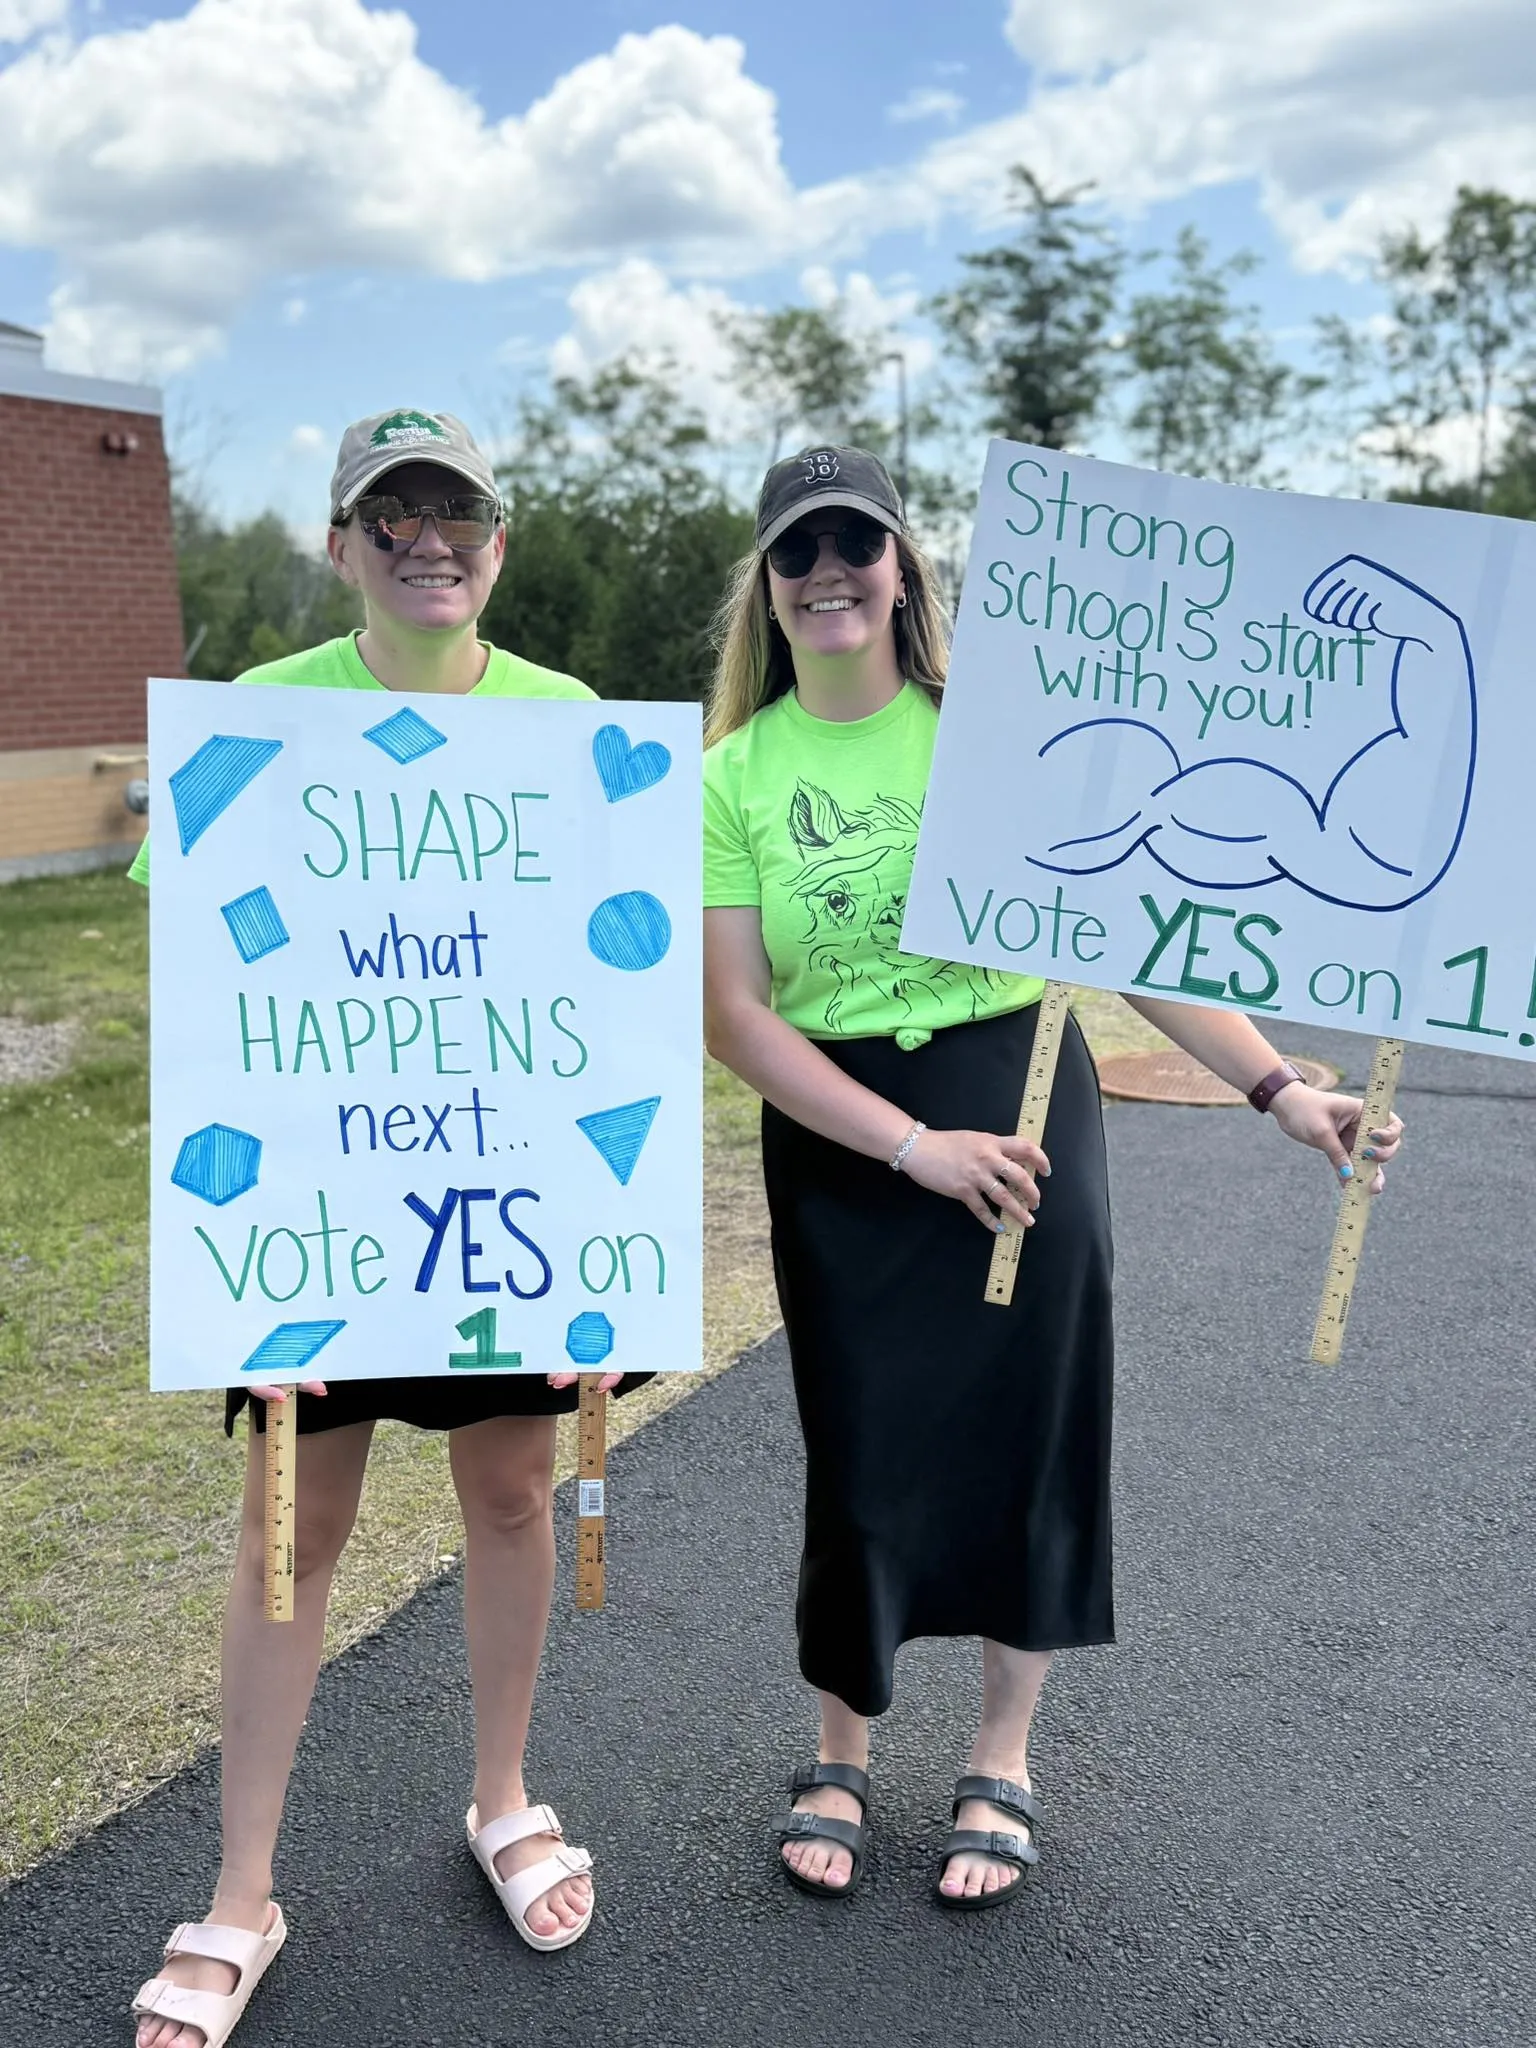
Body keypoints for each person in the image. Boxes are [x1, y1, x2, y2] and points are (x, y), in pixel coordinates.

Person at [701, 446, 1404, 1912]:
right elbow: (737, 1014)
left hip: (1015, 1107)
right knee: (862, 1444)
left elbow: (1138, 945)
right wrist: (908, 1147)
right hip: (852, 1144)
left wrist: (1281, 1089)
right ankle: (841, 1747)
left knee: (1033, 1427)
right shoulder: (732, 775)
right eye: (798, 550)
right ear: (765, 586)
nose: (829, 571)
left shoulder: (1002, 739)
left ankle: (1002, 1755)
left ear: (906, 569)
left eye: (857, 543)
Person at [131, 410, 649, 2048]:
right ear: (343, 540)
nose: (432, 538)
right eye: (394, 512)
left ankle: (501, 1796)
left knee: (510, 1493)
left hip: (501, 1190)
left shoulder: (572, 725)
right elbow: (204, 952)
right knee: (295, 1526)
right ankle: (241, 1890)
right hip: (327, 1192)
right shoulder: (261, 716)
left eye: (462, 513)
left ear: (500, 542)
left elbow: (612, 971)